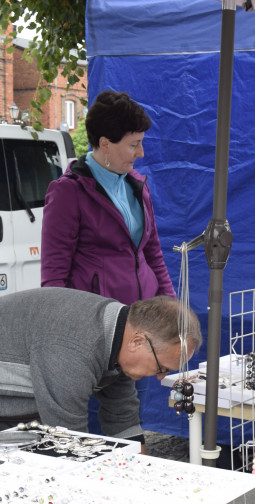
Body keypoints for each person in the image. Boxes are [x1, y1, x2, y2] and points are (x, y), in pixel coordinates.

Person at [0, 289, 200, 443]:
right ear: (138, 341)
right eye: (161, 366)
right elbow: (69, 441)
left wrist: (139, 477)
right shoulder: (75, 345)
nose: (161, 376)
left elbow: (122, 418)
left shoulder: (120, 342)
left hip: (12, 393)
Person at [41, 90, 176, 432]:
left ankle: (127, 465)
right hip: (92, 329)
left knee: (130, 408)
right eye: (133, 144)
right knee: (87, 417)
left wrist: (170, 309)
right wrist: (60, 335)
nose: (141, 153)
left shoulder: (137, 187)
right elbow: (54, 274)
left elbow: (152, 253)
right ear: (104, 143)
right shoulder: (67, 192)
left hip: (139, 321)